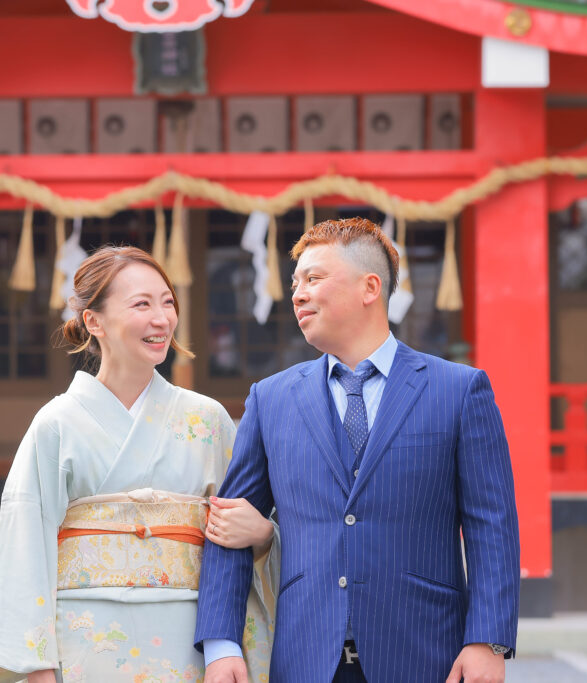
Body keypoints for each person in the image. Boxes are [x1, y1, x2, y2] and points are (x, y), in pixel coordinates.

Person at [195, 218, 520, 683]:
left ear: (371, 287)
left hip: (427, 655)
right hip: (306, 656)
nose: (298, 294)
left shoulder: (458, 390)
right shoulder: (271, 399)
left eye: (314, 278)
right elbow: (228, 523)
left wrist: (487, 640)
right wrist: (221, 646)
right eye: (295, 283)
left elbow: (493, 526)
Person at [0, 246, 278, 683]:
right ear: (93, 321)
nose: (162, 319)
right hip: (84, 640)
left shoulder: (208, 420)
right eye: (142, 304)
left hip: (190, 639)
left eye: (167, 302)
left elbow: (241, 533)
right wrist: (36, 666)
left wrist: (264, 534)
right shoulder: (56, 424)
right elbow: (24, 546)